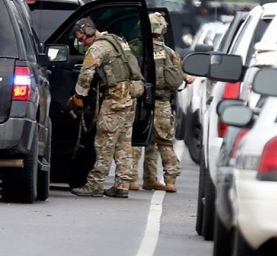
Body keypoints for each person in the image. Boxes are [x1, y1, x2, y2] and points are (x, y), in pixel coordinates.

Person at [68, 17, 144, 198]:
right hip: (130, 97)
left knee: (104, 142)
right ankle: (122, 185)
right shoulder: (118, 41)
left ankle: (95, 184)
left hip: (115, 99)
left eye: (82, 39)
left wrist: (79, 96)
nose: (83, 43)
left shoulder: (98, 47)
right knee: (124, 143)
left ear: (88, 31)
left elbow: (86, 73)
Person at [129, 12, 192, 192]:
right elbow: (178, 75)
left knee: (135, 140)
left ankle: (130, 180)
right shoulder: (170, 52)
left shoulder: (135, 48)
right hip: (163, 105)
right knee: (163, 143)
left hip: (140, 103)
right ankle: (168, 180)